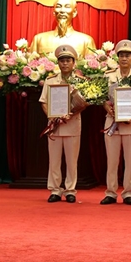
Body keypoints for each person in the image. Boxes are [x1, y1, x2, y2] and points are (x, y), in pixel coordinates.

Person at [39, 44, 84, 203]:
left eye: (68, 60)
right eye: (62, 61)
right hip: (55, 126)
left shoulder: (80, 81)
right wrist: (51, 116)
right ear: (58, 63)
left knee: (72, 161)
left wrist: (72, 113)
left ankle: (70, 190)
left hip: (72, 125)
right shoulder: (50, 80)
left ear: (73, 62)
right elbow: (43, 101)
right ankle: (55, 190)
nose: (65, 63)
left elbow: (84, 103)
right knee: (54, 160)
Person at [100, 39, 131, 206]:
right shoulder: (108, 76)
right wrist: (107, 107)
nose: (124, 58)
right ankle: (111, 192)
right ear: (117, 57)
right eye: (122, 55)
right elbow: (101, 96)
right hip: (112, 122)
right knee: (111, 160)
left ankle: (128, 193)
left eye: (127, 56)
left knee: (130, 161)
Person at [29, 0, 96, 58]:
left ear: (74, 12)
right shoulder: (39, 39)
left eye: (67, 7)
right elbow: (31, 63)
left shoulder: (86, 41)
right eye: (58, 6)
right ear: (54, 12)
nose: (62, 10)